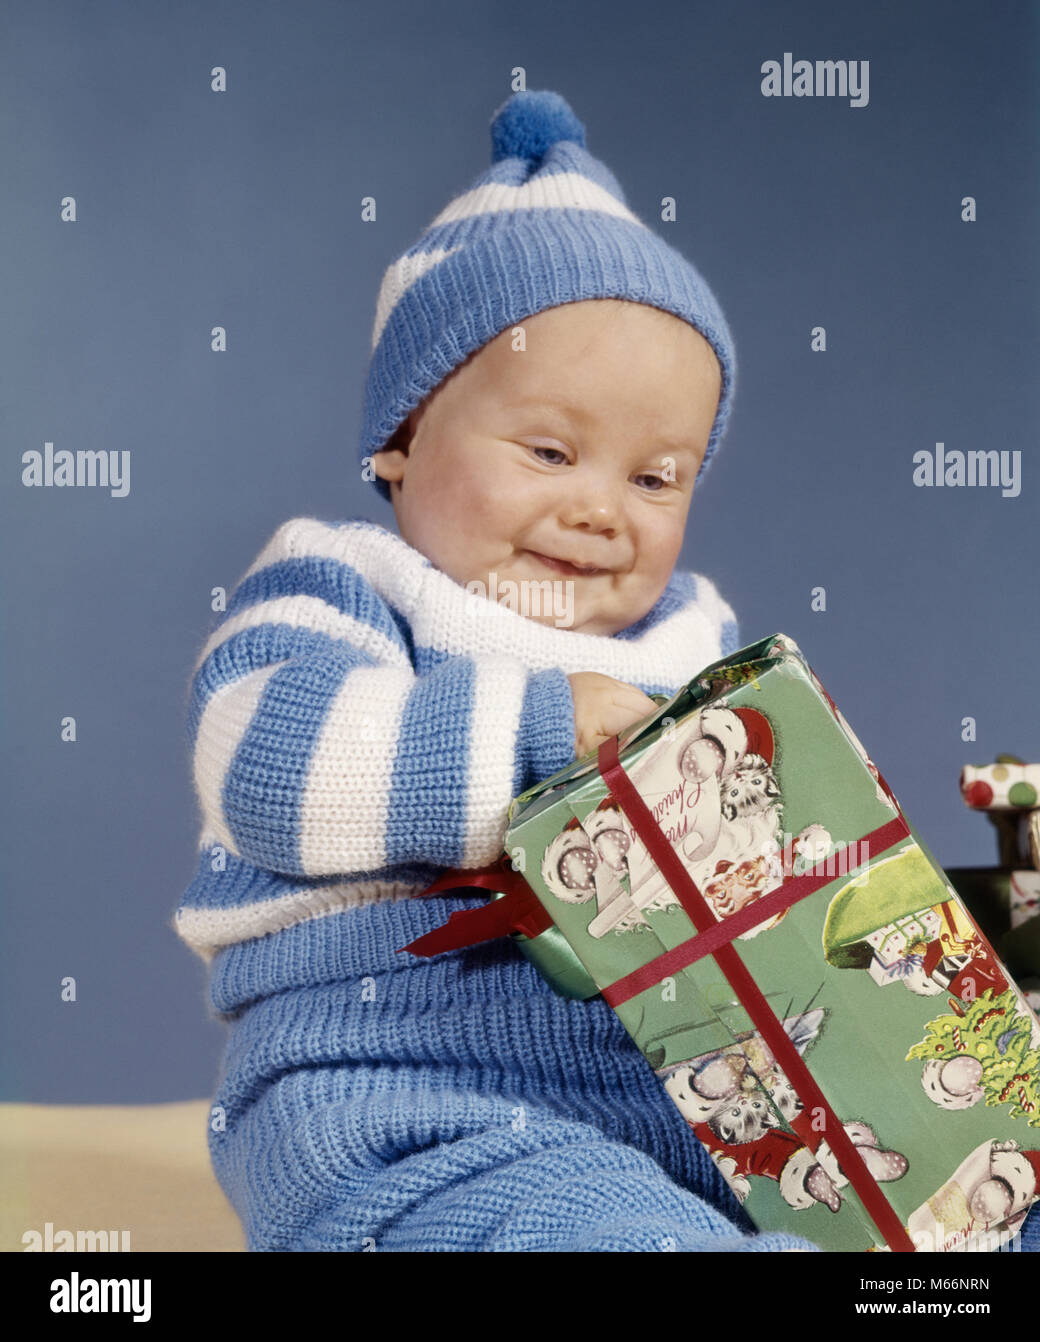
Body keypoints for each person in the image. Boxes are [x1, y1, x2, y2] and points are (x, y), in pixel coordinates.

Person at [173, 88, 825, 1251]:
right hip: (406, 1093)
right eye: (548, 450)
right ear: (404, 437)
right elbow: (270, 765)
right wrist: (542, 731)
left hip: (694, 1102)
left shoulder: (693, 642)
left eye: (655, 477)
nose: (598, 510)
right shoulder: (346, 586)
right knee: (582, 1227)